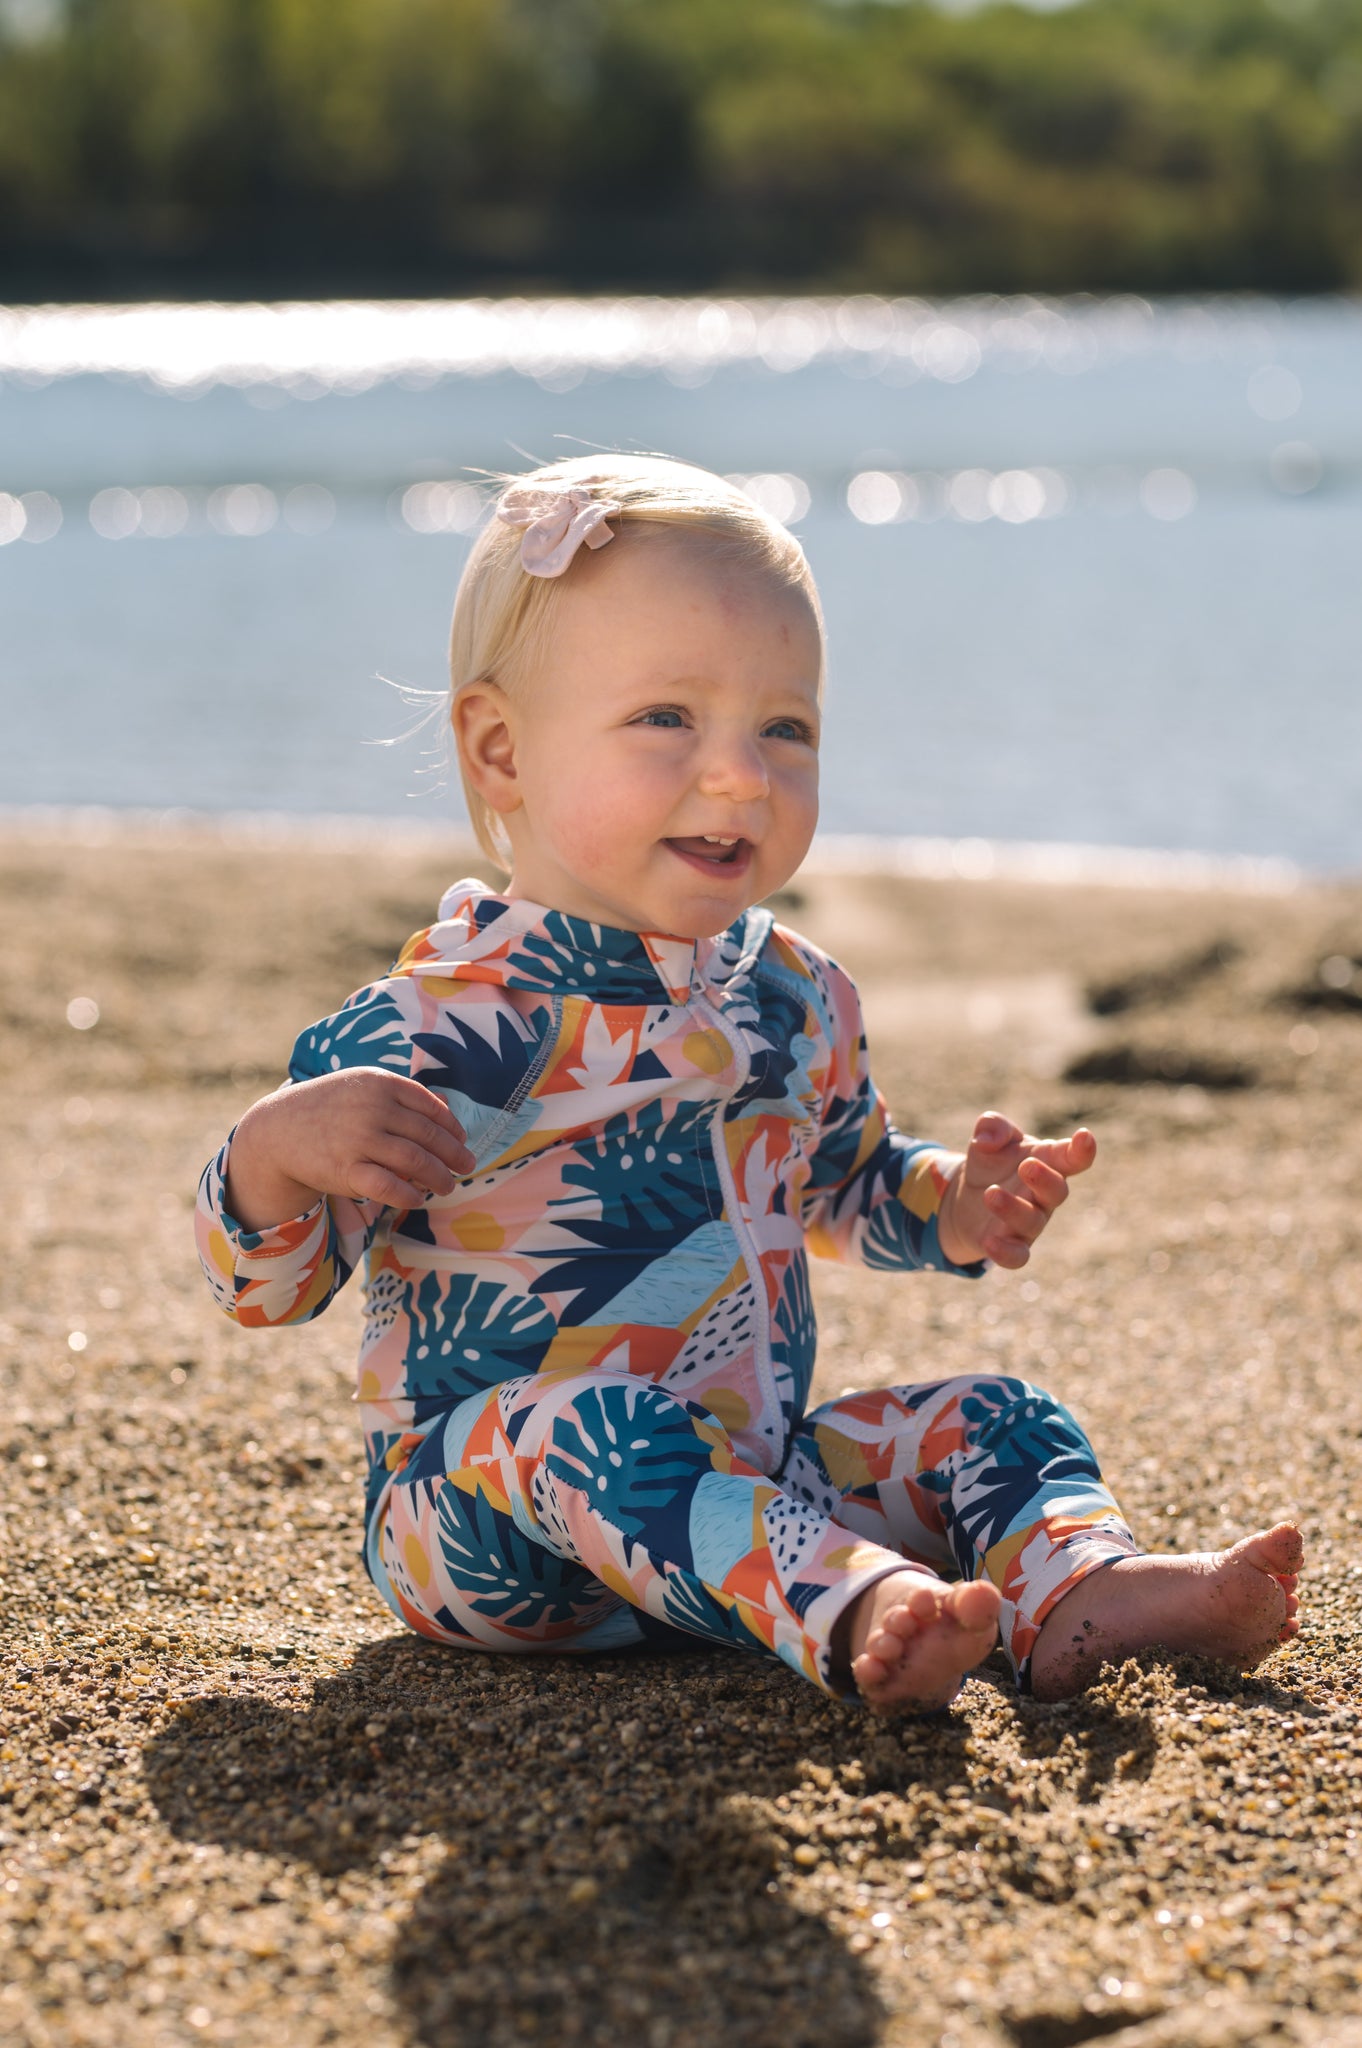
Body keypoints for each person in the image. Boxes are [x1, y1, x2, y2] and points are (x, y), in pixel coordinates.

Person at [194, 455, 1302, 1712]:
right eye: (667, 717)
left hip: (751, 1479)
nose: (740, 773)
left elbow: (841, 1181)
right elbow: (265, 1286)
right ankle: (856, 1605)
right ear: (501, 750)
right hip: (488, 1521)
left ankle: (1078, 1588)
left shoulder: (794, 993)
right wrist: (271, 1154)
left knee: (994, 1413)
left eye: (786, 726)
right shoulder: (439, 1024)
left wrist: (953, 1198)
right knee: (583, 1425)